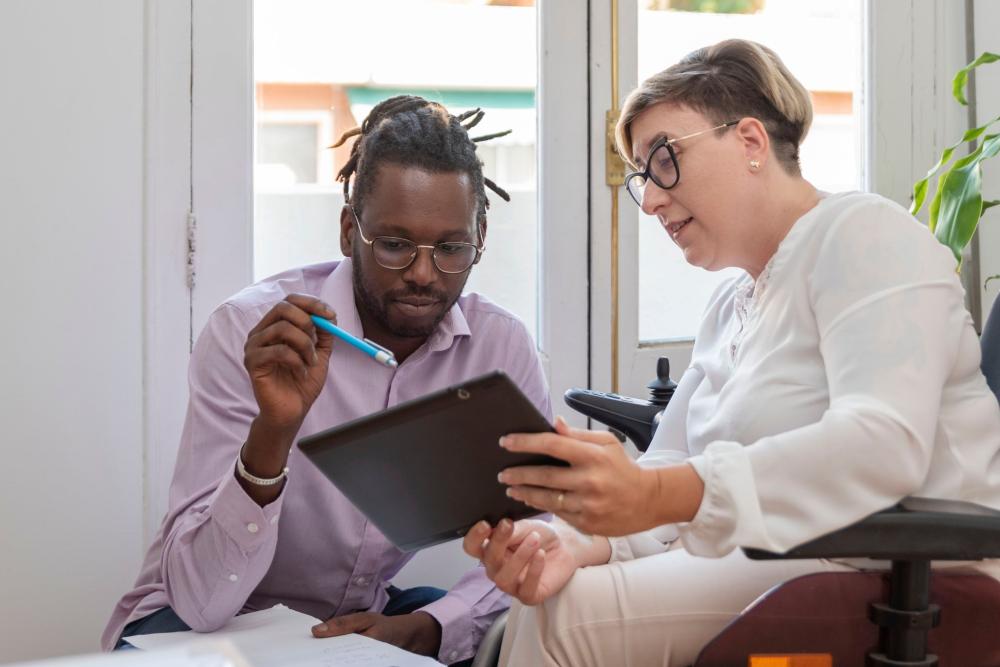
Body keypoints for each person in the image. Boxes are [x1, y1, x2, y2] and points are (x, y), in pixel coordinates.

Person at [463, 39, 1000, 666]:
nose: (653, 198)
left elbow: (883, 444)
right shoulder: (729, 308)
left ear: (750, 141)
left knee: (565, 619)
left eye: (663, 160)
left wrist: (660, 495)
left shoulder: (866, 235)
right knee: (552, 594)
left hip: (892, 566)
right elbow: (669, 464)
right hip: (778, 557)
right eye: (642, 178)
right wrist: (575, 541)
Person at [102, 95, 552, 666]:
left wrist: (428, 626)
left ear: (479, 238)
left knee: (508, 630)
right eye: (394, 244)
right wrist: (274, 431)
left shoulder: (499, 347)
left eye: (450, 248)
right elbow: (200, 599)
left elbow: (542, 531)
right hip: (193, 623)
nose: (422, 273)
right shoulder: (252, 333)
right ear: (349, 231)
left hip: (355, 619)